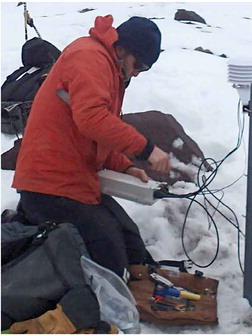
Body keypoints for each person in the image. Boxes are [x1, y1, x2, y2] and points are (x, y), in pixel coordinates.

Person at [12, 15, 171, 281]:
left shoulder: (110, 66)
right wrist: (146, 150)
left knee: (130, 243)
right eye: (138, 65)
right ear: (123, 49)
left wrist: (126, 166)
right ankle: (104, 307)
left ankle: (140, 288)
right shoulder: (89, 57)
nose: (136, 73)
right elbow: (92, 120)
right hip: (47, 185)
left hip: (76, 182)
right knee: (110, 256)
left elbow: (96, 136)